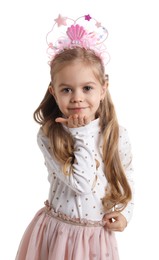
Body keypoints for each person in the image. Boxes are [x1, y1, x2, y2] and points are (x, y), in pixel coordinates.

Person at [16, 14, 134, 260]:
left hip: (96, 239)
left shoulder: (116, 134)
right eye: (67, 89)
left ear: (103, 88)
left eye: (87, 88)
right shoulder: (50, 135)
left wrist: (126, 212)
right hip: (58, 235)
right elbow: (81, 183)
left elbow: (126, 175)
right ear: (54, 92)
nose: (77, 97)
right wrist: (82, 134)